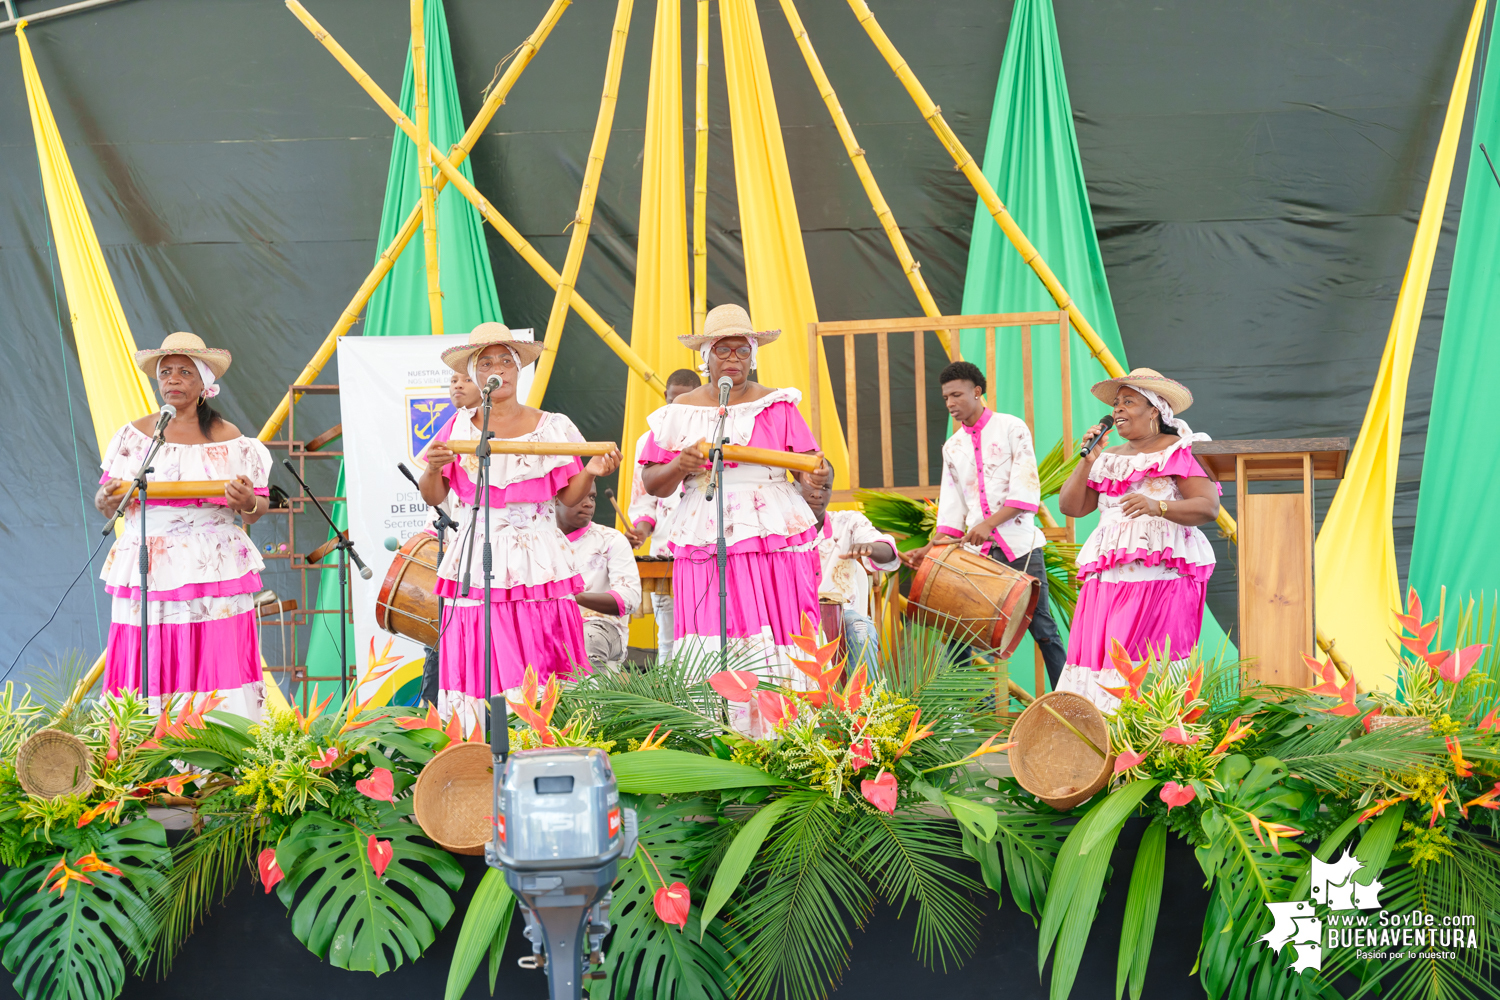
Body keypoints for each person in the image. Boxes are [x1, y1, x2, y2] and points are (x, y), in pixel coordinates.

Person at [419, 323, 621, 727]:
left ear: (518, 370)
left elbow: (567, 497)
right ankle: (477, 744)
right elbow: (434, 495)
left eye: (506, 361)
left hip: (537, 549)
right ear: (476, 373)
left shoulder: (553, 426)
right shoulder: (458, 427)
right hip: (478, 548)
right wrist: (433, 468)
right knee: (479, 640)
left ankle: (544, 735)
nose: (498, 368)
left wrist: (593, 471)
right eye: (487, 361)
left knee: (541, 640)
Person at [638, 304, 831, 679]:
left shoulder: (777, 405)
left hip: (772, 527)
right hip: (705, 527)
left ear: (753, 356)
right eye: (723, 350)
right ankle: (720, 722)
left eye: (742, 350)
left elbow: (814, 465)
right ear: (705, 356)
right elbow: (651, 484)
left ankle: (785, 722)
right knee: (713, 628)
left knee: (784, 627)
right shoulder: (680, 411)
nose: (733, 359)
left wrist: (817, 479)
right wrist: (681, 464)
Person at [93, 332, 272, 720]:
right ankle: (146, 750)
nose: (172, 379)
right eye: (166, 372)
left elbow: (258, 507)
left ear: (205, 382)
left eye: (185, 372)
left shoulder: (235, 441)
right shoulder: (134, 437)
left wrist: (248, 503)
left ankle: (219, 747)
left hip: (216, 562)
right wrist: (104, 502)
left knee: (214, 652)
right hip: (150, 561)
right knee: (150, 650)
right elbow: (108, 500)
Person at [1056, 368, 1219, 710]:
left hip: (1161, 581)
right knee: (1101, 666)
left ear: (1155, 410)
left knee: (1149, 670)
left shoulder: (1180, 449)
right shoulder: (1109, 457)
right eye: (1116, 403)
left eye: (1129, 401)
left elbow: (1208, 507)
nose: (1118, 409)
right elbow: (1071, 506)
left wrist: (1157, 506)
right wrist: (1090, 457)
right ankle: (1099, 747)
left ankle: (1148, 750)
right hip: (1107, 582)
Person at [900, 361, 1068, 686]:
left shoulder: (1011, 428)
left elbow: (1026, 490)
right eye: (946, 397)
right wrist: (930, 548)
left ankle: (1069, 703)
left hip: (1020, 546)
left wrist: (990, 524)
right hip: (976, 556)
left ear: (977, 392)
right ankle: (970, 717)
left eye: (957, 394)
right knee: (961, 634)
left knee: (1043, 628)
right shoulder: (953, 448)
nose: (950, 403)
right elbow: (951, 510)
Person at [625, 368, 701, 661]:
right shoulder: (650, 438)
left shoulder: (714, 435)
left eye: (684, 402)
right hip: (664, 552)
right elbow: (645, 503)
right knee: (667, 640)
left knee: (701, 636)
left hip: (702, 552)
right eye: (671, 401)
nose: (676, 408)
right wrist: (640, 533)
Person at [796, 466, 900, 672]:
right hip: (792, 617)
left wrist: (870, 547)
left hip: (843, 617)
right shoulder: (778, 529)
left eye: (825, 487)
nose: (818, 493)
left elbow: (887, 550)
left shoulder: (848, 522)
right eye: (810, 486)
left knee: (860, 628)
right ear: (794, 486)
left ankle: (863, 702)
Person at [419, 370, 481, 709]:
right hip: (455, 549)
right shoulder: (451, 430)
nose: (457, 385)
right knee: (442, 645)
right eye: (453, 380)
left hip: (492, 548)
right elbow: (434, 497)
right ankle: (441, 718)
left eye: (465, 379)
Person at [557, 481, 642, 669]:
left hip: (599, 627)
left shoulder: (612, 540)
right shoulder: (535, 542)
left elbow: (630, 599)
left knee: (588, 637)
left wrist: (573, 597)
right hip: (549, 625)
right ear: (555, 499)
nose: (589, 503)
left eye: (593, 497)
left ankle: (592, 698)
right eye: (581, 495)